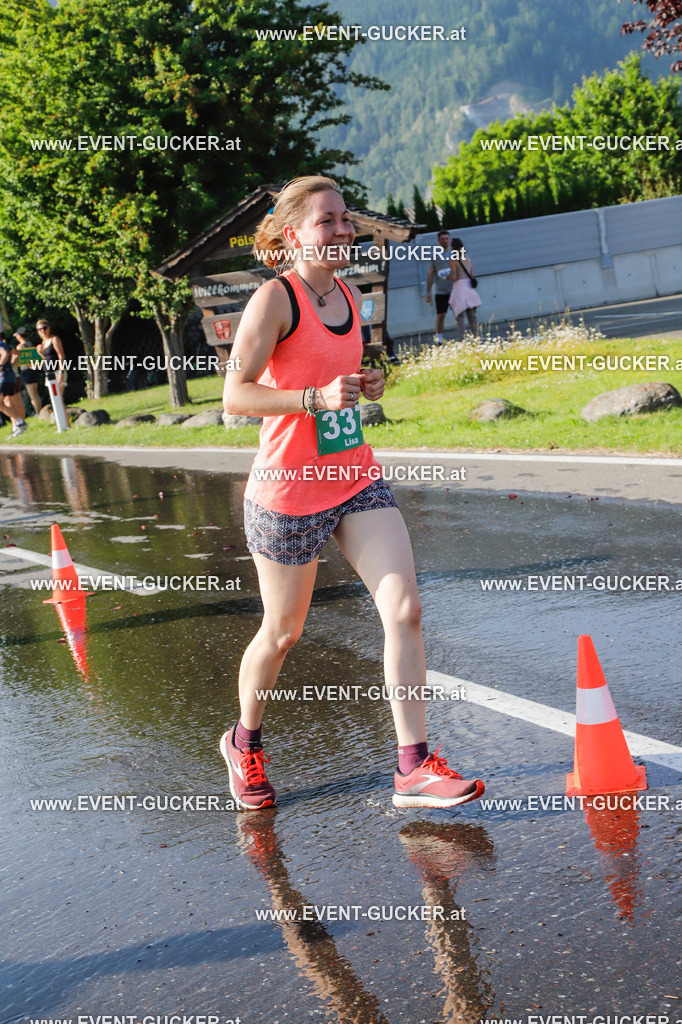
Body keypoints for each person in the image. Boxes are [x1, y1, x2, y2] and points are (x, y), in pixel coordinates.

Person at [220, 175, 485, 811]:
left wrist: (369, 382)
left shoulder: (345, 293)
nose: (343, 230)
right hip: (287, 492)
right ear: (293, 236)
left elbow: (336, 371)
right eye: (327, 221)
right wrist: (312, 399)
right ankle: (243, 740)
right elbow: (234, 396)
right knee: (282, 634)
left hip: (354, 476)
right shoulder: (273, 301)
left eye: (345, 219)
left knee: (404, 611)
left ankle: (412, 767)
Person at [425, 229, 455, 345]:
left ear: (450, 239)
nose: (445, 241)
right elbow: (430, 273)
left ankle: (462, 336)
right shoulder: (435, 256)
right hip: (441, 291)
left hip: (454, 290)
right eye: (442, 239)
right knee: (440, 315)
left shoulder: (454, 254)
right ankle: (439, 339)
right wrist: (428, 292)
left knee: (459, 314)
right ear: (438, 241)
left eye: (446, 238)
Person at [448, 237, 481, 343]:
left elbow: (454, 277)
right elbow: (471, 274)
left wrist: (447, 276)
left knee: (460, 317)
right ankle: (477, 338)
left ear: (453, 247)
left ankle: (461, 340)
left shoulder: (453, 259)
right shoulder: (467, 258)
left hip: (459, 288)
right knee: (472, 315)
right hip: (469, 288)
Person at [0, 332, 28, 436]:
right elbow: (16, 353)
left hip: (4, 378)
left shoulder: (1, 345)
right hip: (12, 377)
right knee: (12, 402)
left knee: (3, 403)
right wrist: (10, 365)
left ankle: (19, 422)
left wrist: (1, 366)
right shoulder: (6, 345)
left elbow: (5, 353)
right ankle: (18, 424)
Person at [14, 326, 42, 415]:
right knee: (36, 393)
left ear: (19, 336)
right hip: (33, 370)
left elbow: (18, 360)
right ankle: (40, 411)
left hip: (26, 371)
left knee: (32, 395)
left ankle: (38, 412)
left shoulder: (20, 347)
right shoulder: (30, 344)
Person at [36, 318, 66, 401]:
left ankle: (64, 414)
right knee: (54, 399)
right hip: (49, 373)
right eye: (40, 329)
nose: (42, 331)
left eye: (44, 328)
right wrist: (40, 353)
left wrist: (61, 372)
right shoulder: (43, 343)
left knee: (59, 398)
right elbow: (46, 358)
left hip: (57, 371)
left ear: (49, 328)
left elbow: (61, 355)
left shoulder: (54, 339)